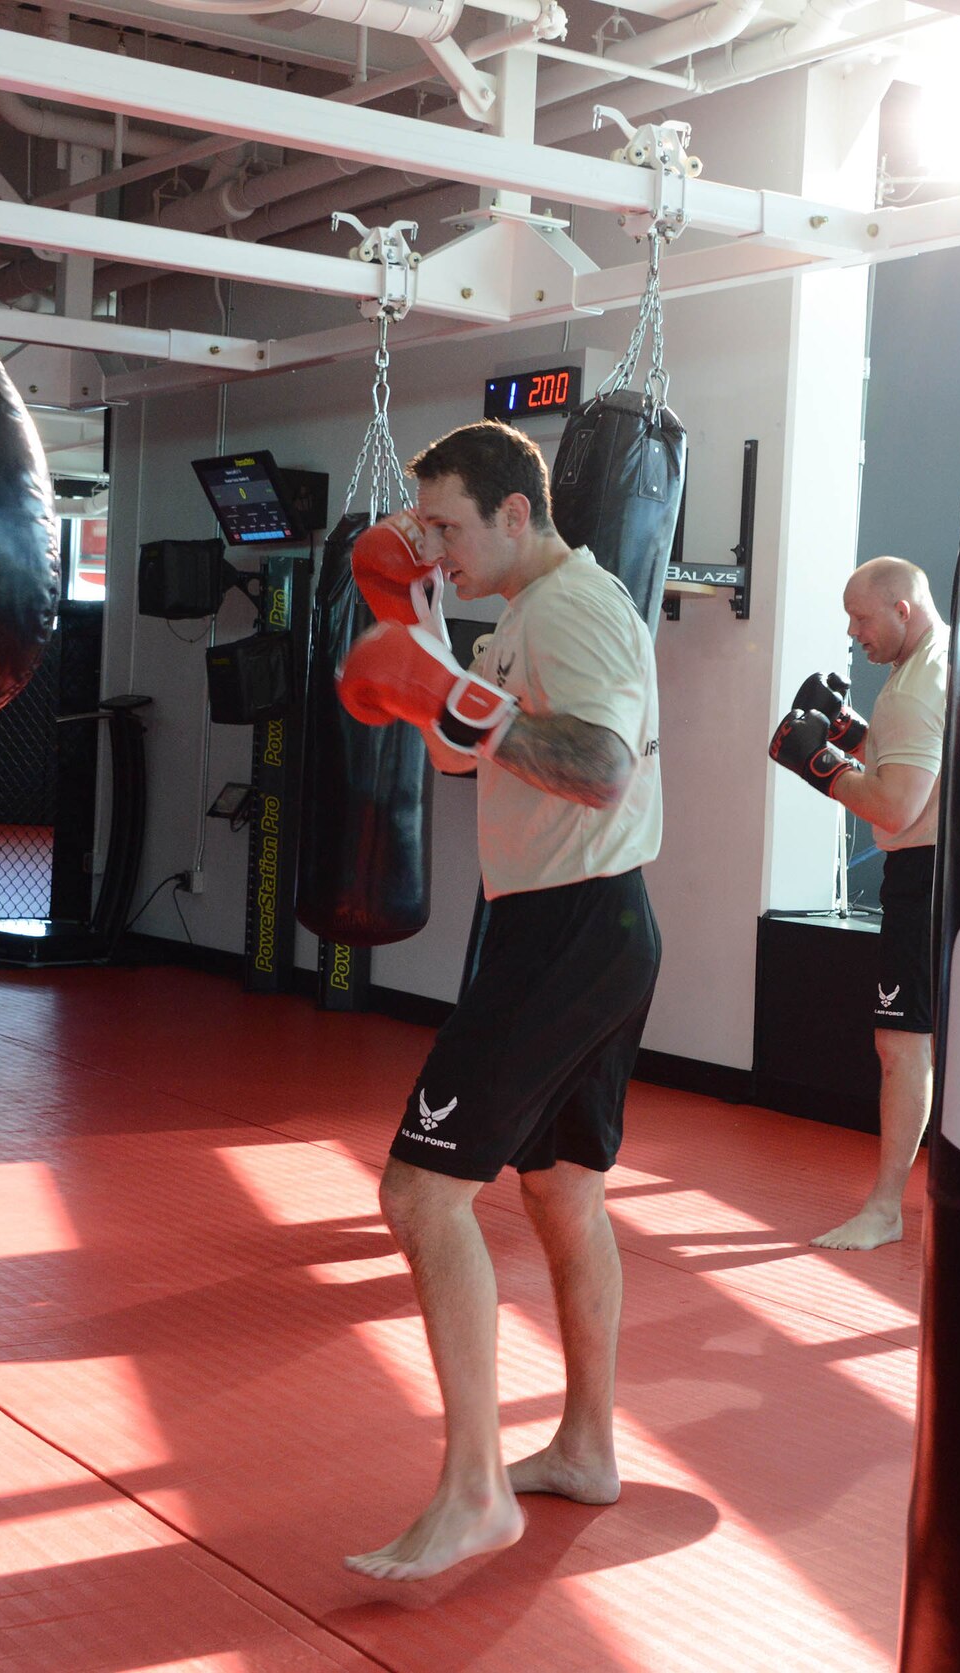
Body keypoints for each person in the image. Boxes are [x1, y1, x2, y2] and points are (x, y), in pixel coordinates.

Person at [333, 420, 662, 1582]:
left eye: (449, 525)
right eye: (423, 524)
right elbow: (471, 755)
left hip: (567, 929)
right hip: (583, 920)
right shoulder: (523, 611)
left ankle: (474, 1488)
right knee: (564, 1193)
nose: (432, 543)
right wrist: (427, 648)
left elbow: (600, 762)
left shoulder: (572, 605)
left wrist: (454, 694)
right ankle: (583, 1445)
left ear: (516, 513)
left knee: (421, 1196)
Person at [768, 555, 947, 1251]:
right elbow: (911, 758)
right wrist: (846, 729)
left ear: (901, 609)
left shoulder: (912, 687)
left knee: (902, 1045)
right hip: (955, 872)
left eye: (862, 618)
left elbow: (897, 807)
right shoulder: (938, 662)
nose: (853, 632)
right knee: (921, 1044)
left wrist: (823, 766)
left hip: (924, 876)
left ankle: (883, 1208)